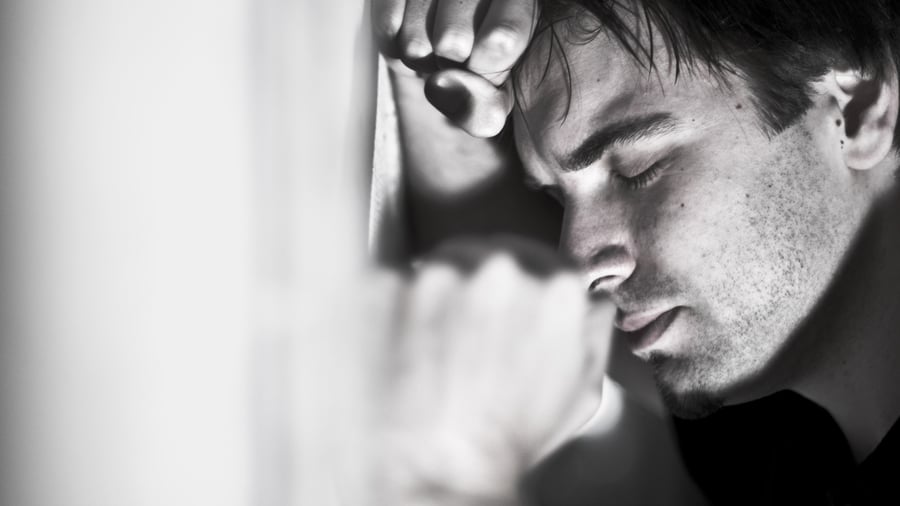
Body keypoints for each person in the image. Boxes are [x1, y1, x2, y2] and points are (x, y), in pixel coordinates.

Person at [366, 0, 900, 504]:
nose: (575, 265)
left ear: (854, 114)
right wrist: (438, 65)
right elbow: (483, 223)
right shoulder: (768, 432)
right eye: (557, 199)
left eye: (637, 170)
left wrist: (464, 467)